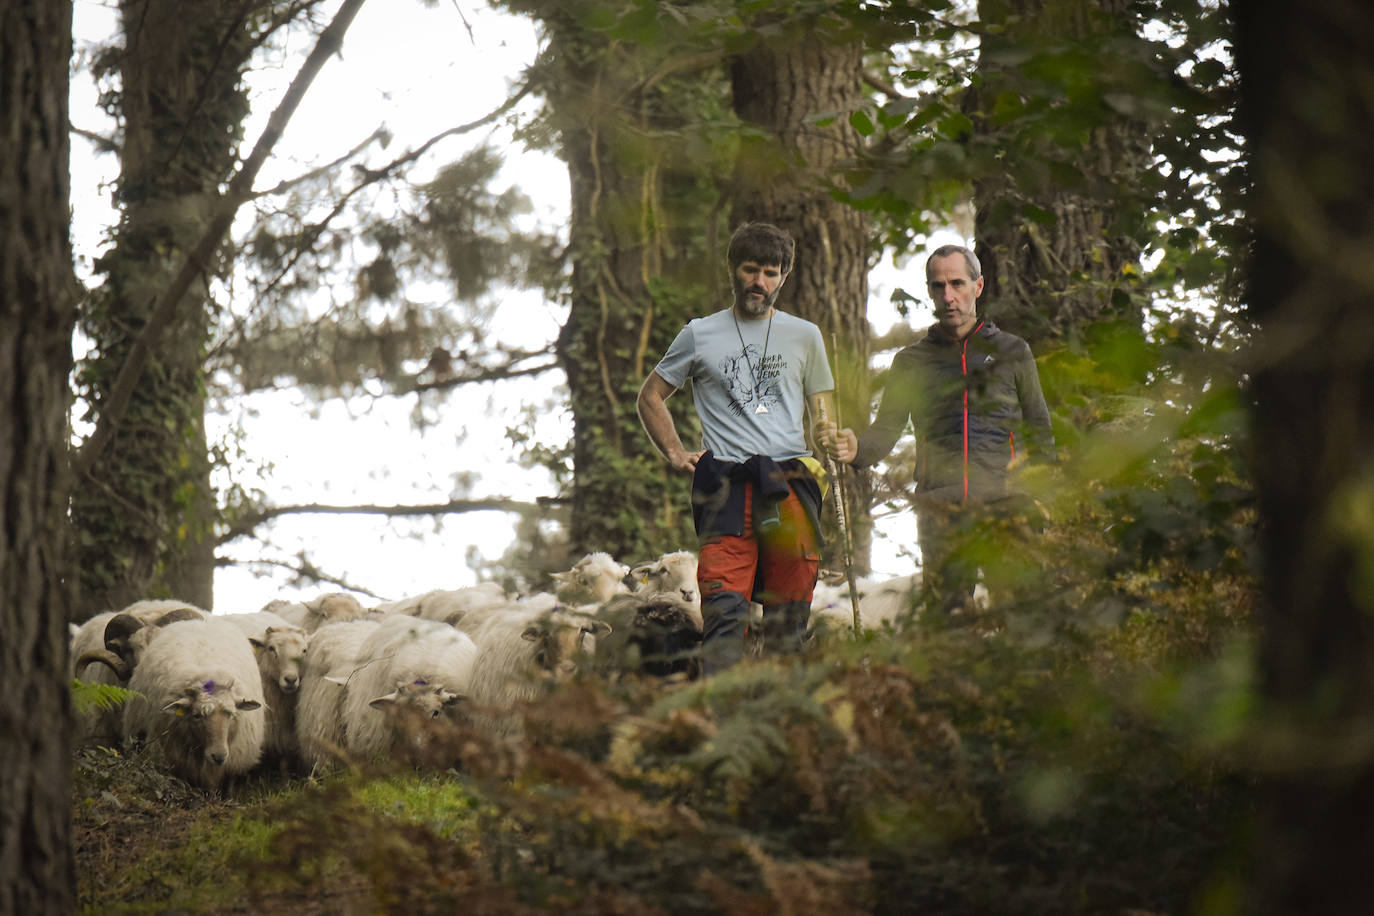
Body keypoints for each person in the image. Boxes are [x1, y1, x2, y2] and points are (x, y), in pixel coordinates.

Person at [637, 222, 837, 674]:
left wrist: (830, 435)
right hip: (726, 489)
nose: (758, 282)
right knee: (725, 618)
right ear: (732, 269)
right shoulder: (699, 333)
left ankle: (782, 728)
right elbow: (650, 395)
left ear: (784, 276)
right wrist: (673, 450)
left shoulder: (806, 335)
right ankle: (723, 727)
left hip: (789, 487)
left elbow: (823, 412)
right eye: (750, 270)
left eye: (770, 272)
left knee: (790, 619)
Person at [818, 244, 1054, 616]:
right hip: (940, 509)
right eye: (938, 286)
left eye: (957, 284)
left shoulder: (1013, 352)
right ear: (929, 291)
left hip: (1009, 505)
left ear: (978, 287)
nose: (948, 296)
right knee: (949, 625)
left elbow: (1040, 428)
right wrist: (855, 448)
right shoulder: (911, 362)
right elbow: (887, 429)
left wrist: (1045, 497)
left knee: (1021, 621)